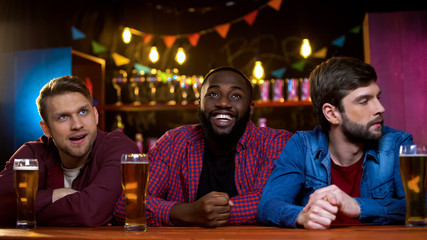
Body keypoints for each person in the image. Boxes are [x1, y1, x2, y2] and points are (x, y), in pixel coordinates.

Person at [114, 66, 293, 227]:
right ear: (199, 103)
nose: (223, 103)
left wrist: (207, 214)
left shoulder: (275, 142)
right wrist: (187, 212)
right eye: (213, 94)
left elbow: (272, 200)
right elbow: (128, 205)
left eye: (236, 95)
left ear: (250, 108)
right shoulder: (173, 142)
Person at [257, 56, 414, 229]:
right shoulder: (302, 146)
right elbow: (268, 205)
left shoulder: (398, 144)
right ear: (331, 114)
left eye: (378, 97)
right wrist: (302, 217)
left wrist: (357, 206)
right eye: (364, 101)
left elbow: (420, 206)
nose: (380, 108)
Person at [0, 76, 140, 227]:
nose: (77, 125)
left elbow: (87, 213)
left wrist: (25, 211)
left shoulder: (118, 148)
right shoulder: (31, 154)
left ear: (95, 115)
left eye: (83, 112)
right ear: (46, 129)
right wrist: (54, 195)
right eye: (63, 117)